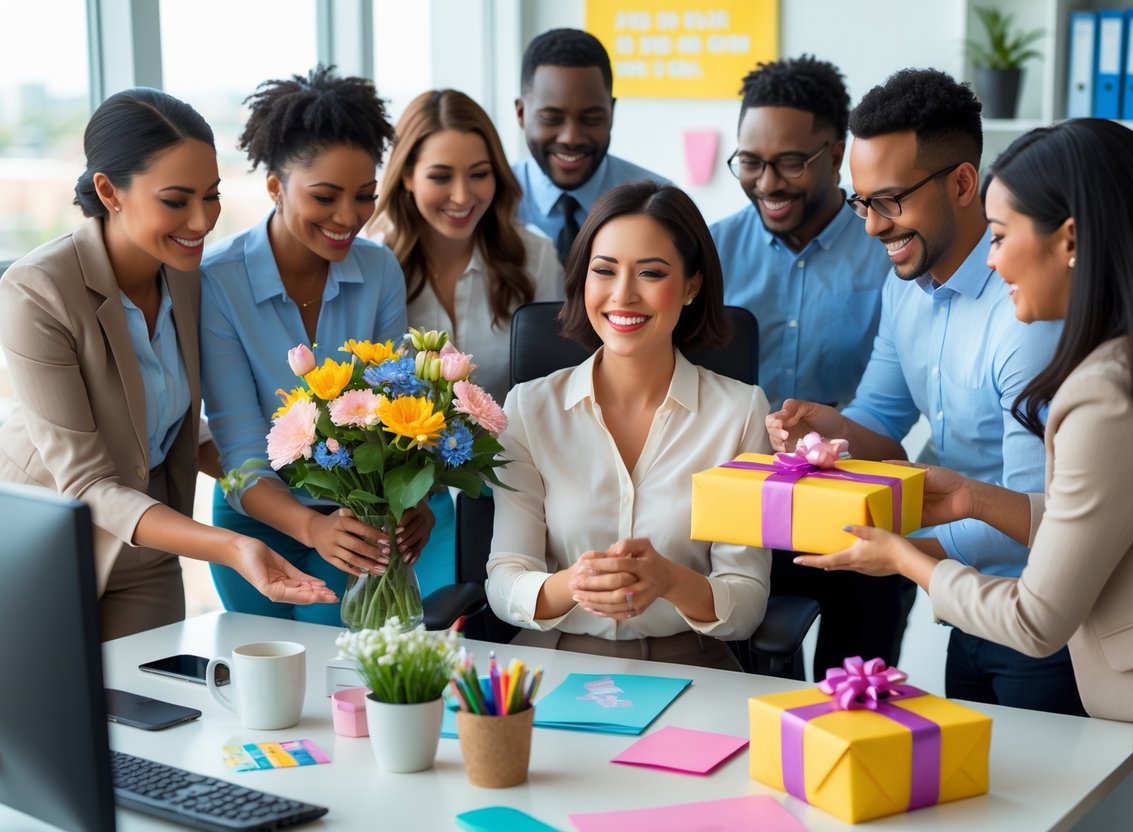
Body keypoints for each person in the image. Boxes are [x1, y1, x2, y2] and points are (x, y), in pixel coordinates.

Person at [794, 118, 1133, 831]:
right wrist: (972, 497)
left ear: (1068, 240)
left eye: (1002, 235)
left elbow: (1037, 620)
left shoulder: (1105, 392)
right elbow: (1106, 523)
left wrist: (903, 560)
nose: (994, 260)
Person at [767, 69, 1082, 715]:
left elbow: (1035, 515)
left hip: (1041, 618)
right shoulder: (904, 289)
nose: (871, 227)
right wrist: (826, 430)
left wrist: (902, 557)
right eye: (861, 203)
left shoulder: (1025, 314)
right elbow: (881, 418)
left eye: (889, 201)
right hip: (964, 611)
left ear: (963, 183)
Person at [0, 88, 337, 641]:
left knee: (159, 713)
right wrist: (233, 545)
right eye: (176, 200)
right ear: (110, 191)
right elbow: (87, 481)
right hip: (44, 547)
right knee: (53, 723)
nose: (202, 220)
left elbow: (179, 430)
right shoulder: (37, 290)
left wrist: (321, 496)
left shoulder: (194, 277)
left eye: (213, 196)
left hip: (147, 546)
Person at [486, 181, 771, 671]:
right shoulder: (530, 408)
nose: (623, 295)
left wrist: (671, 581)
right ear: (582, 280)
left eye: (651, 273)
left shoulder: (741, 413)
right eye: (604, 271)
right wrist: (571, 583)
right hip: (551, 661)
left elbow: (746, 601)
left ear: (691, 286)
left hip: (691, 665)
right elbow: (505, 578)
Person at [200, 66, 429, 625]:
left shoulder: (378, 270)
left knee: (358, 678)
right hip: (258, 524)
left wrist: (415, 501)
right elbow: (238, 444)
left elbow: (395, 408)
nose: (348, 217)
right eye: (324, 196)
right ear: (274, 186)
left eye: (364, 196)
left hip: (360, 522)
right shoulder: (218, 281)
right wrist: (310, 527)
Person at [709, 56, 893, 677]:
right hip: (742, 503)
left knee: (860, 683)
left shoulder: (887, 252)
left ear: (835, 155)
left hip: (858, 500)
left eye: (790, 162)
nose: (767, 183)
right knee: (747, 685)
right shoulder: (709, 251)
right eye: (751, 163)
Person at [367, 88, 563, 404]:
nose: (461, 196)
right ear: (407, 176)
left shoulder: (536, 259)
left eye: (479, 174)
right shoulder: (374, 266)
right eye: (441, 177)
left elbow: (555, 390)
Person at [513, 28, 670, 263]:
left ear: (611, 112)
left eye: (591, 119)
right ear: (522, 113)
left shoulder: (660, 202)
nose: (571, 138)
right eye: (551, 118)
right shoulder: (489, 199)